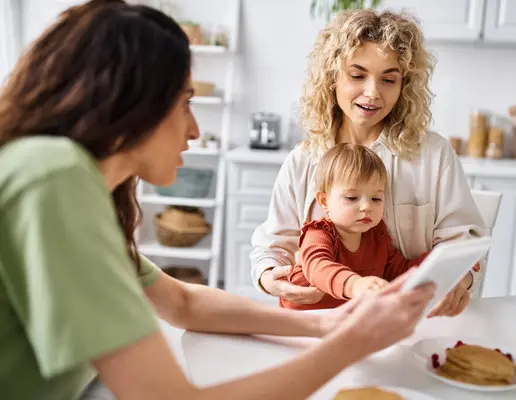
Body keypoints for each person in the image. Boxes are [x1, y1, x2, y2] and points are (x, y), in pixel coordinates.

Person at [0, 1, 436, 399]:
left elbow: (184, 303)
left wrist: (327, 324)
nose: (193, 129)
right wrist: (352, 343)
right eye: (184, 103)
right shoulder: (54, 177)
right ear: (129, 99)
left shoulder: (65, 179)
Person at [251, 9, 485, 316]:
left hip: (409, 321)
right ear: (332, 77)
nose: (373, 93)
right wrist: (270, 278)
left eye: (389, 79)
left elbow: (462, 245)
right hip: (319, 324)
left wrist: (460, 279)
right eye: (357, 75)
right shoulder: (302, 161)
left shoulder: (433, 154)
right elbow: (272, 247)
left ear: (404, 87)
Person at [280, 143, 430, 310]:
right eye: (352, 198)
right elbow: (318, 266)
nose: (367, 206)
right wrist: (354, 285)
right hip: (301, 322)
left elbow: (400, 270)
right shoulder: (319, 233)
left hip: (345, 321)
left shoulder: (377, 236)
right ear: (324, 201)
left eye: (376, 199)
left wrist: (436, 260)